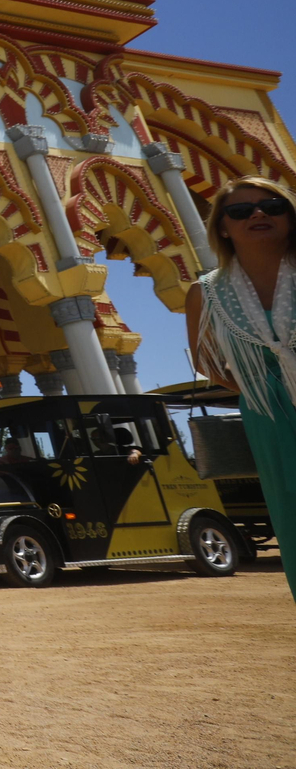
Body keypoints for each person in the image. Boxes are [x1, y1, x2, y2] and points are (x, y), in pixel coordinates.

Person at [188, 175, 296, 601]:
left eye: (273, 206)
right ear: (223, 227)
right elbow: (205, 359)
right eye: (240, 210)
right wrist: (257, 384)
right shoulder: (208, 292)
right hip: (270, 414)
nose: (257, 214)